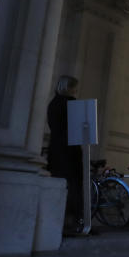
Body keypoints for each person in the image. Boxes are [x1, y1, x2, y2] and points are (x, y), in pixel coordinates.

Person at [47, 75, 82, 234]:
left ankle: (56, 221)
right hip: (70, 150)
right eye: (74, 87)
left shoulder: (53, 104)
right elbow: (79, 128)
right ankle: (72, 222)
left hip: (55, 149)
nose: (75, 90)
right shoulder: (71, 104)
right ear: (68, 87)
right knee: (73, 186)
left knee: (59, 183)